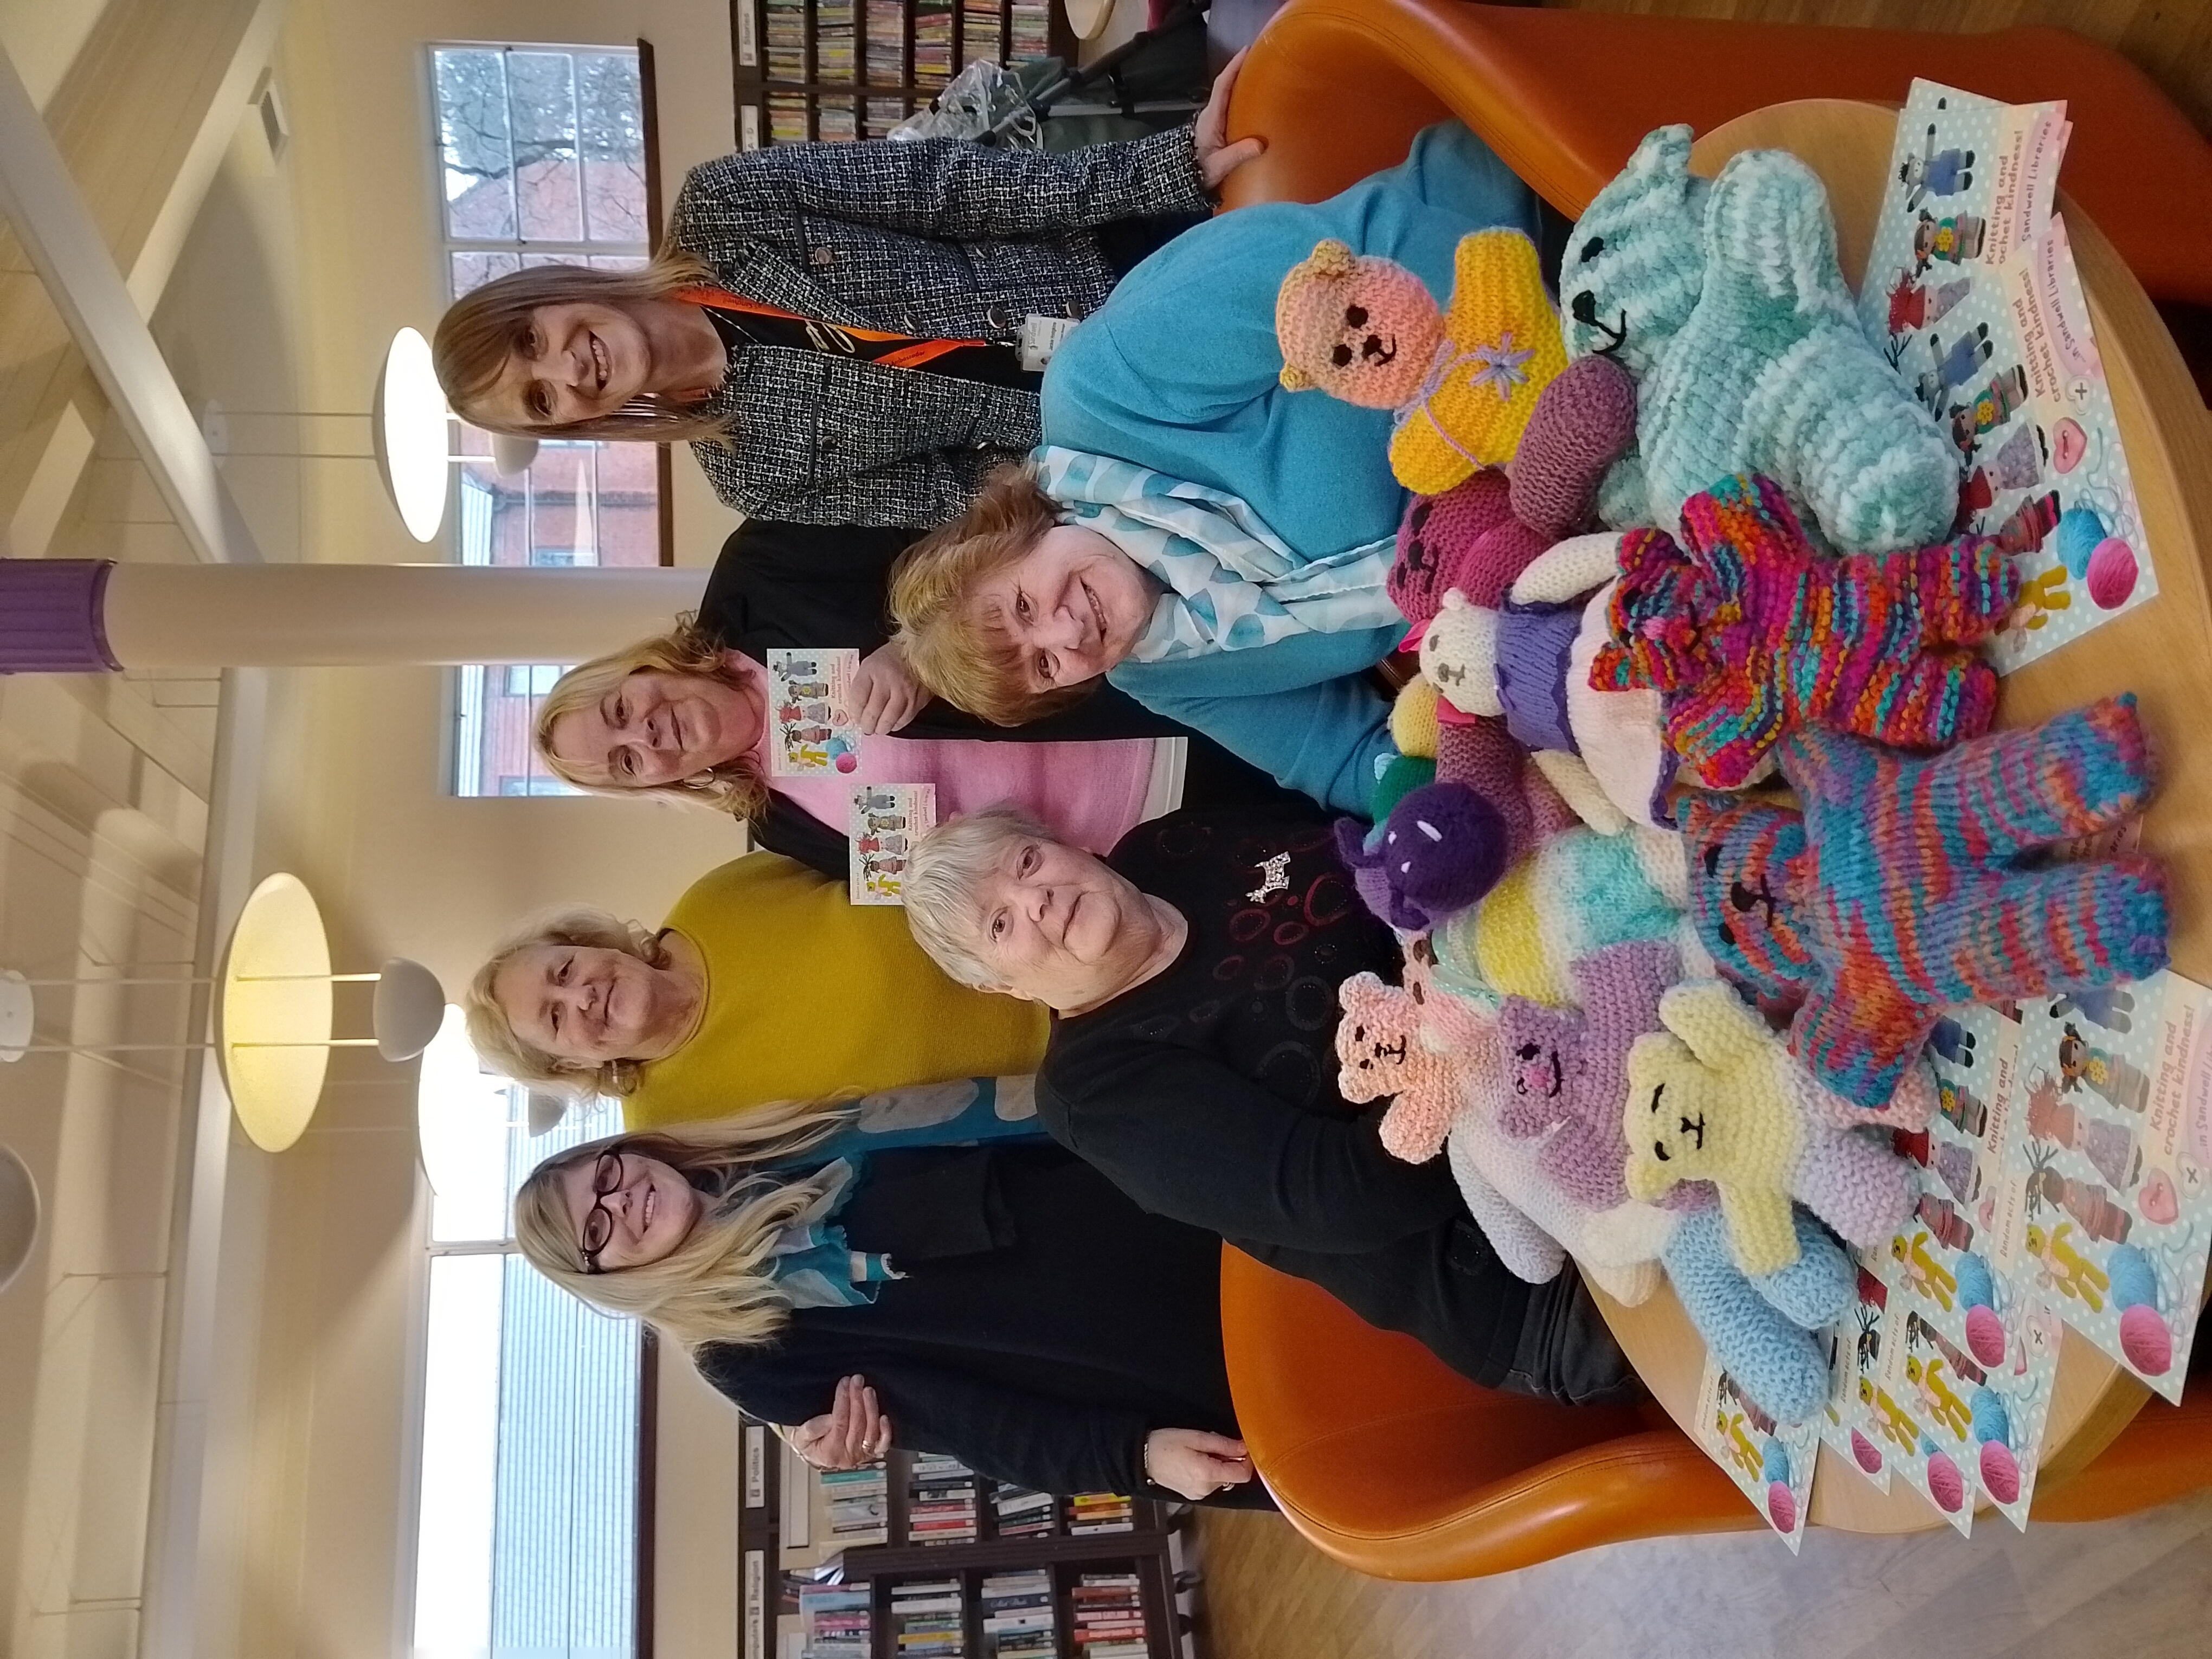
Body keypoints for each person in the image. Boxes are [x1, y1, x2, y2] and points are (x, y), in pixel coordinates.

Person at [901, 802, 1641, 1407]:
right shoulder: (1094, 1092)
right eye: (1000, 925)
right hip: (1523, 1268)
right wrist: (1474, 1045)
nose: (1037, 901)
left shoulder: (1167, 846)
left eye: (1025, 864)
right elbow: (1344, 1195)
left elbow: (1375, 859)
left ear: (1061, 840)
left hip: (1537, 1012)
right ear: (1000, 986)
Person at [428, 56, 1264, 527]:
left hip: (1124, 270)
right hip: (1130, 423)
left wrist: (1163, 169)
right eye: (540, 401)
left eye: (531, 343)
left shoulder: (723, 208)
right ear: (571, 425)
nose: (567, 372)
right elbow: (965, 492)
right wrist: (1125, 471)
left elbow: (946, 188)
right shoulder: (749, 474)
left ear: (545, 295)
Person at [510, 1094, 1271, 1504]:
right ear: (606, 1279)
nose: (623, 1198)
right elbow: (972, 1423)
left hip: (1196, 1206)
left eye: (604, 1174)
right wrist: (1135, 1455)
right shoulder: (744, 1354)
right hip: (1181, 1371)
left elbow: (1020, 1128)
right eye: (597, 1230)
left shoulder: (787, 1136)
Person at [888, 458, 1403, 814]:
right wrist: (1425, 799)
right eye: (1044, 667)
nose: (1068, 634)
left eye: (1023, 605)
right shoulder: (1156, 677)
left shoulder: (1097, 402)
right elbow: (1337, 757)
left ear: (1009, 535)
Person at [464, 853, 1043, 1129]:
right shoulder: (669, 1133)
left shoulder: (721, 894)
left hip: (1060, 932)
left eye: (563, 972)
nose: (581, 997)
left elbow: (890, 855)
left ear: (585, 943)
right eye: (556, 1019)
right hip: (1068, 1082)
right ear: (567, 1065)